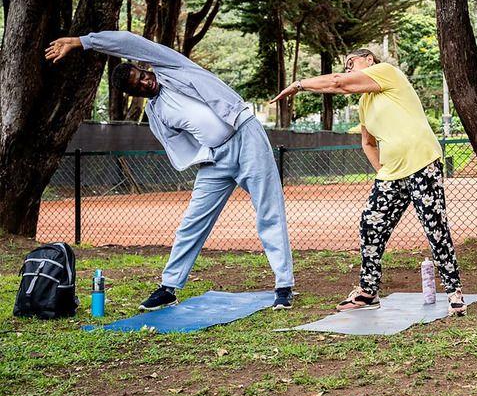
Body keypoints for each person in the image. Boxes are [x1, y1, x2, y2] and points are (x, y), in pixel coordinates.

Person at [45, 32, 295, 311]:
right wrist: (206, 156)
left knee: (268, 210)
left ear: (144, 67)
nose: (144, 81)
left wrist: (83, 42)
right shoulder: (156, 113)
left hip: (246, 137)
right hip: (215, 160)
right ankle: (169, 287)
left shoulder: (171, 67)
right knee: (192, 222)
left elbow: (128, 41)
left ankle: (283, 286)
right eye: (137, 86)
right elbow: (180, 144)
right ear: (135, 94)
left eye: (141, 75)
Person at [271, 49, 467, 315]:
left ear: (370, 61)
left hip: (422, 162)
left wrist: (299, 85)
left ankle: (454, 292)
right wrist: (381, 171)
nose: (348, 68)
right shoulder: (364, 102)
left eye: (352, 63)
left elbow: (338, 82)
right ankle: (368, 291)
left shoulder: (387, 73)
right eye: (346, 64)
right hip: (391, 175)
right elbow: (367, 141)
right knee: (370, 225)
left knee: (435, 227)